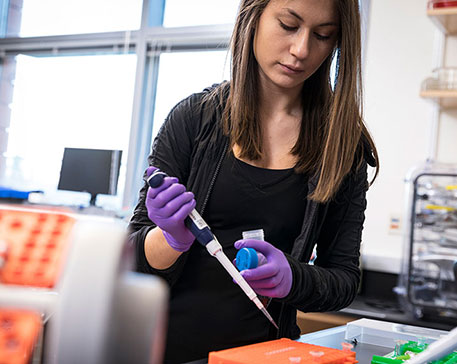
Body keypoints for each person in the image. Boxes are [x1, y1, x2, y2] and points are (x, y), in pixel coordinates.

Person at [128, 0, 379, 362]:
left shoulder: (341, 144)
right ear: (253, 17)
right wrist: (170, 238)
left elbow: (342, 280)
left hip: (267, 355)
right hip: (163, 351)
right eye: (288, 25)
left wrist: (293, 279)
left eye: (324, 35)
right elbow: (132, 260)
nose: (302, 50)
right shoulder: (194, 120)